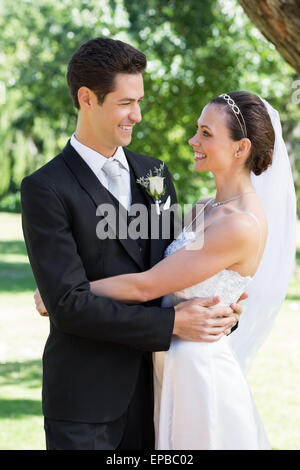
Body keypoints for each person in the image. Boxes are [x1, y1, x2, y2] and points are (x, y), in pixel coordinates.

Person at [36, 91, 296, 449]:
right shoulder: (204, 208)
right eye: (197, 130)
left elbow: (147, 284)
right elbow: (158, 262)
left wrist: (59, 292)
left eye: (206, 133)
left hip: (198, 370)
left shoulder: (241, 224)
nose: (193, 140)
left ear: (240, 148)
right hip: (163, 365)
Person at [21, 38, 244, 451]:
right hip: (86, 403)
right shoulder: (45, 189)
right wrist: (172, 324)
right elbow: (69, 306)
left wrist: (220, 307)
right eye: (125, 103)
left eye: (139, 101)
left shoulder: (155, 172)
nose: (137, 116)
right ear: (87, 99)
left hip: (163, 394)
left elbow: (174, 270)